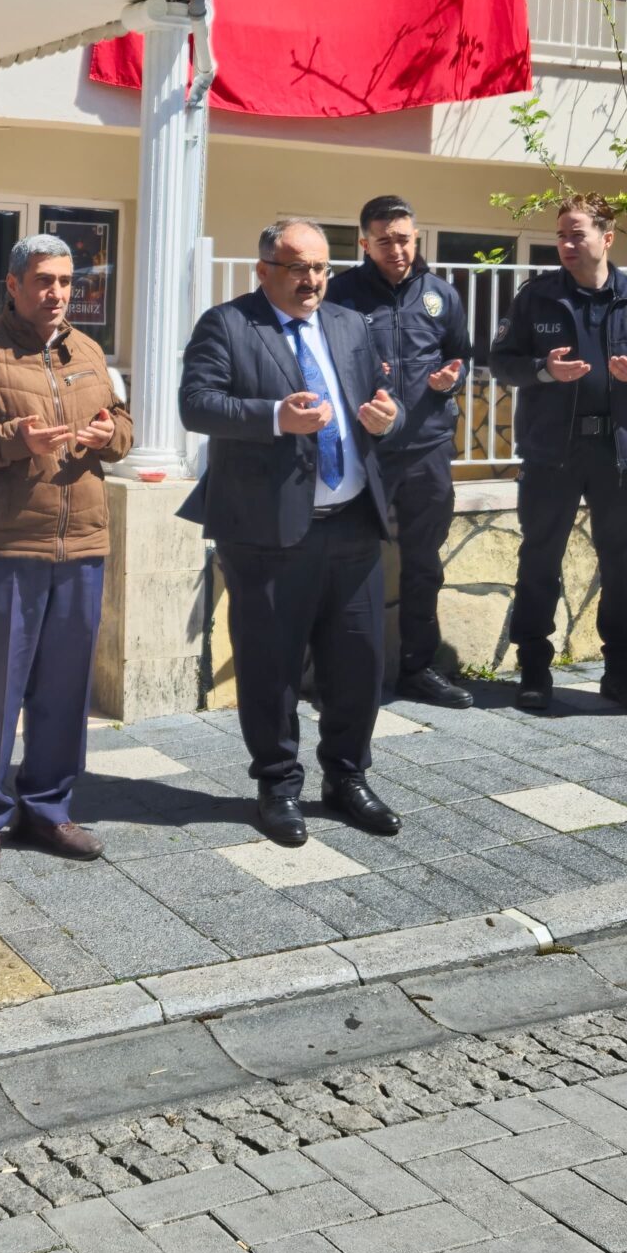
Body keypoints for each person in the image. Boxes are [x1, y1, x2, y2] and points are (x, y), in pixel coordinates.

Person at [178, 220, 406, 848]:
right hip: (267, 532)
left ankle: (347, 777)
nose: (312, 280)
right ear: (265, 270)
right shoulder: (228, 325)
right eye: (298, 268)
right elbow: (196, 404)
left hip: (354, 524)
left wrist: (389, 416)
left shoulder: (349, 324)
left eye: (321, 268)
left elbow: (386, 397)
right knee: (271, 666)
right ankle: (277, 785)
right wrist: (275, 417)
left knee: (359, 661)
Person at [0, 234, 135, 878]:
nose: (58, 293)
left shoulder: (88, 349)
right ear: (13, 284)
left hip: (83, 544)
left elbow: (123, 424)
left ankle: (48, 806)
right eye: (44, 281)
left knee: (66, 692)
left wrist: (110, 434)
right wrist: (15, 439)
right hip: (6, 545)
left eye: (67, 282)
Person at [486, 196, 627, 714]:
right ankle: (534, 670)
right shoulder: (537, 297)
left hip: (618, 454)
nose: (567, 245)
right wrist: (543, 370)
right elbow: (502, 363)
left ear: (607, 237)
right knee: (540, 559)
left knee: (621, 565)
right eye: (561, 236)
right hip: (553, 452)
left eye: (577, 235)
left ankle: (622, 674)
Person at [327, 195, 476, 707]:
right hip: (362, 451)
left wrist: (452, 378)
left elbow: (460, 354)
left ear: (417, 238)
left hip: (426, 448)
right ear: (365, 243)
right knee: (348, 560)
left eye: (405, 239)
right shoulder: (339, 294)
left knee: (423, 563)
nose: (398, 250)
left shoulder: (441, 294)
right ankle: (343, 676)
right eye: (386, 241)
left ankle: (418, 668)